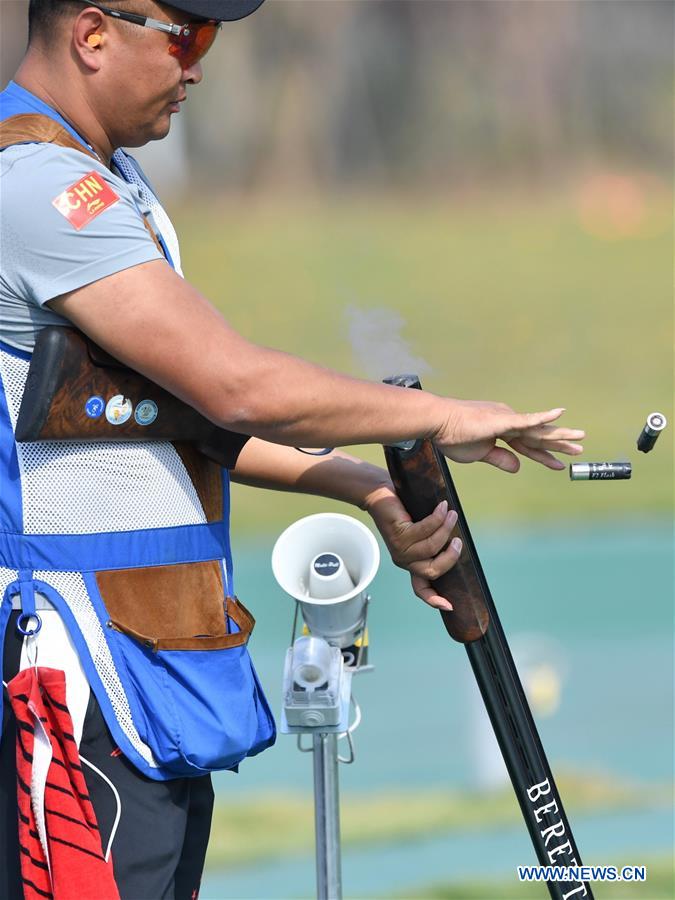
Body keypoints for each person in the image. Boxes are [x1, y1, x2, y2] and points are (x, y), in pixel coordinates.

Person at [0, 1, 585, 897]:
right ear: (92, 35)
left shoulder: (104, 180)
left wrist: (365, 486)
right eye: (184, 37)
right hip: (72, 685)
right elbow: (234, 385)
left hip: (140, 675)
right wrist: (432, 419)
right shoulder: (40, 187)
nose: (196, 67)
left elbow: (162, 415)